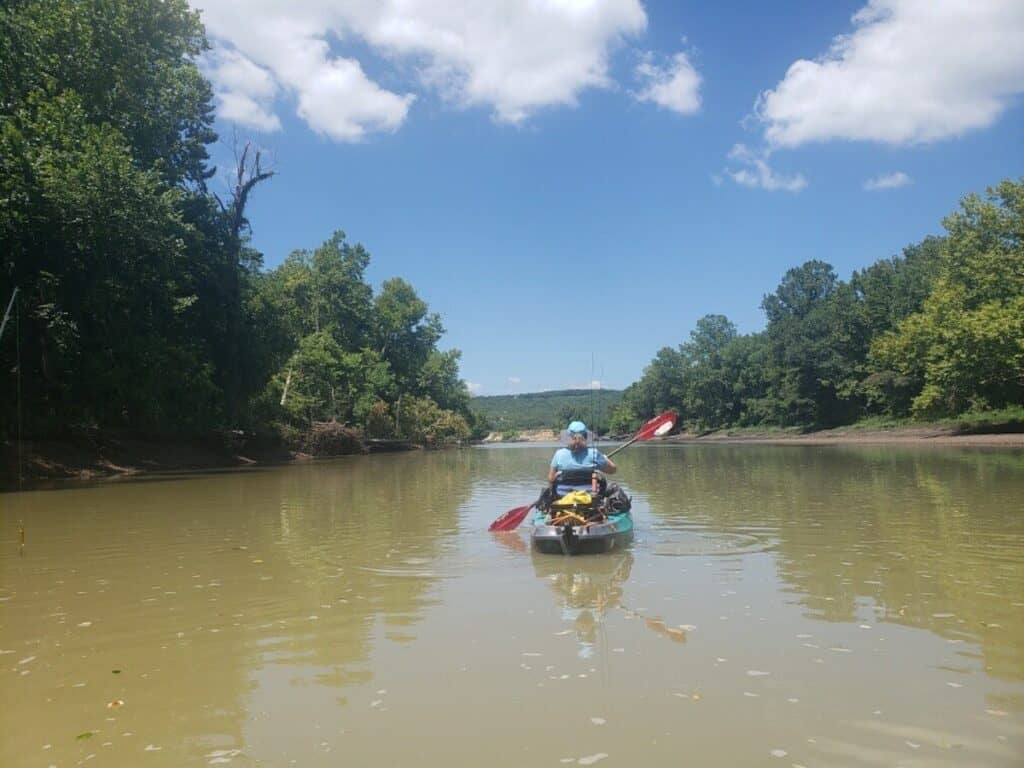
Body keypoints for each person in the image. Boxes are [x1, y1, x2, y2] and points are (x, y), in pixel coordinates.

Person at [548, 420, 617, 496]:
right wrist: (604, 458)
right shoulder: (594, 453)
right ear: (586, 436)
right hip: (590, 497)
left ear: (568, 437)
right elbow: (612, 470)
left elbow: (551, 479)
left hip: (562, 496)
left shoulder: (559, 454)